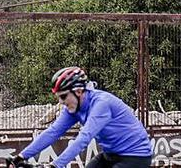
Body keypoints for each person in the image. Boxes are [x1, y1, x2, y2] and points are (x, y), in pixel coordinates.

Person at [8, 66, 153, 168]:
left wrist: (55, 165)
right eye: (59, 98)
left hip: (135, 157)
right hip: (110, 155)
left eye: (63, 96)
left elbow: (84, 138)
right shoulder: (73, 107)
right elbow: (53, 132)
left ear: (78, 91)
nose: (61, 102)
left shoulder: (101, 104)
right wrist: (21, 157)